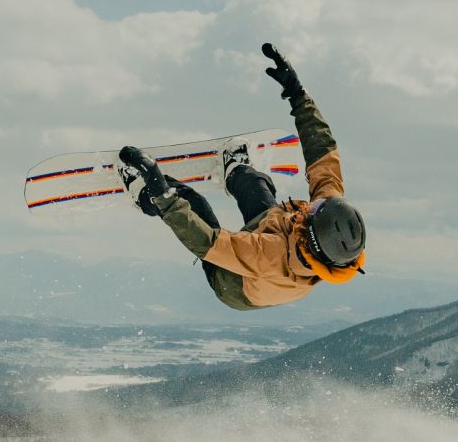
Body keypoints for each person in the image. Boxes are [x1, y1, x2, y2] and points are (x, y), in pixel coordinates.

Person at [118, 43, 365, 311]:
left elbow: (206, 241)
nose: (312, 204)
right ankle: (236, 169)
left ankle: (141, 189)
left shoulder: (269, 254)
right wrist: (298, 94)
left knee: (193, 204)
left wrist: (162, 193)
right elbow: (322, 151)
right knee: (254, 184)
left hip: (234, 285)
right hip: (273, 244)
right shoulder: (329, 228)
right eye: (318, 204)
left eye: (313, 211)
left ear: (310, 236)